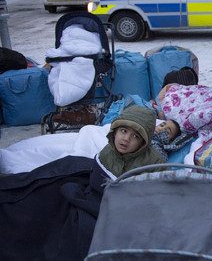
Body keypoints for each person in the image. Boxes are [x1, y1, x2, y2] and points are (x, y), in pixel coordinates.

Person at [0, 105, 165, 260]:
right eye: (123, 131)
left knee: (81, 230)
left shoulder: (154, 165)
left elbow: (151, 201)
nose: (126, 139)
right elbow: (97, 176)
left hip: (116, 209)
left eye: (135, 136)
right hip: (93, 193)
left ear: (144, 142)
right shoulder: (109, 150)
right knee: (47, 192)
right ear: (115, 130)